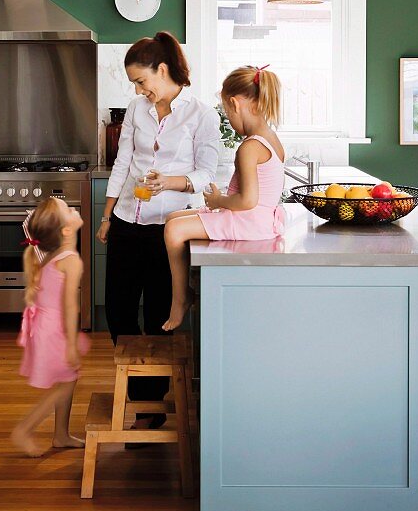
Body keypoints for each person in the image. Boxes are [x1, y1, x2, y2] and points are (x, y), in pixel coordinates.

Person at [97, 31, 219, 432]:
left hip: (169, 228)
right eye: (135, 83)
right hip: (127, 220)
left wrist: (171, 182)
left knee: (160, 315)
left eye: (141, 80)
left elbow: (206, 175)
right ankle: (137, 393)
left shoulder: (201, 114)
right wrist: (107, 215)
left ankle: (149, 406)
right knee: (117, 308)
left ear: (162, 70)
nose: (139, 89)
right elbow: (123, 162)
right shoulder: (136, 109)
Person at [162, 65, 285, 332]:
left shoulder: (249, 146)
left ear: (234, 103)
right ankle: (192, 283)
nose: (228, 119)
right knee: (173, 217)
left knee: (173, 229)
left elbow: (247, 201)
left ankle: (181, 298)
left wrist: (218, 202)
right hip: (258, 220)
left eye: (227, 113)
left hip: (249, 220)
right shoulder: (270, 138)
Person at [11, 196, 89, 457]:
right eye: (67, 208)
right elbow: (69, 307)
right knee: (64, 383)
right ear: (66, 230)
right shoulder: (71, 261)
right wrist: (69, 345)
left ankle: (61, 435)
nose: (72, 207)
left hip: (44, 326)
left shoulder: (55, 254)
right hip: (54, 329)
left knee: (69, 378)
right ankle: (24, 429)